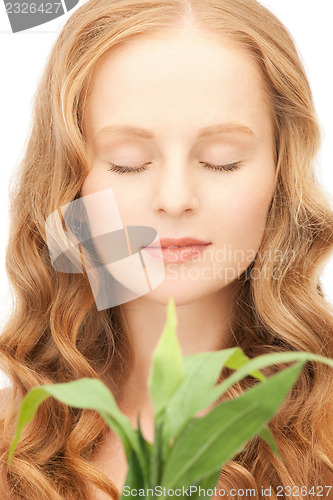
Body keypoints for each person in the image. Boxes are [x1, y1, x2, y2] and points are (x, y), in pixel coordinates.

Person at [1, 0, 333, 498]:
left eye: (222, 161)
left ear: (280, 176)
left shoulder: (323, 441)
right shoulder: (11, 438)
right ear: (70, 184)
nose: (175, 200)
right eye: (128, 162)